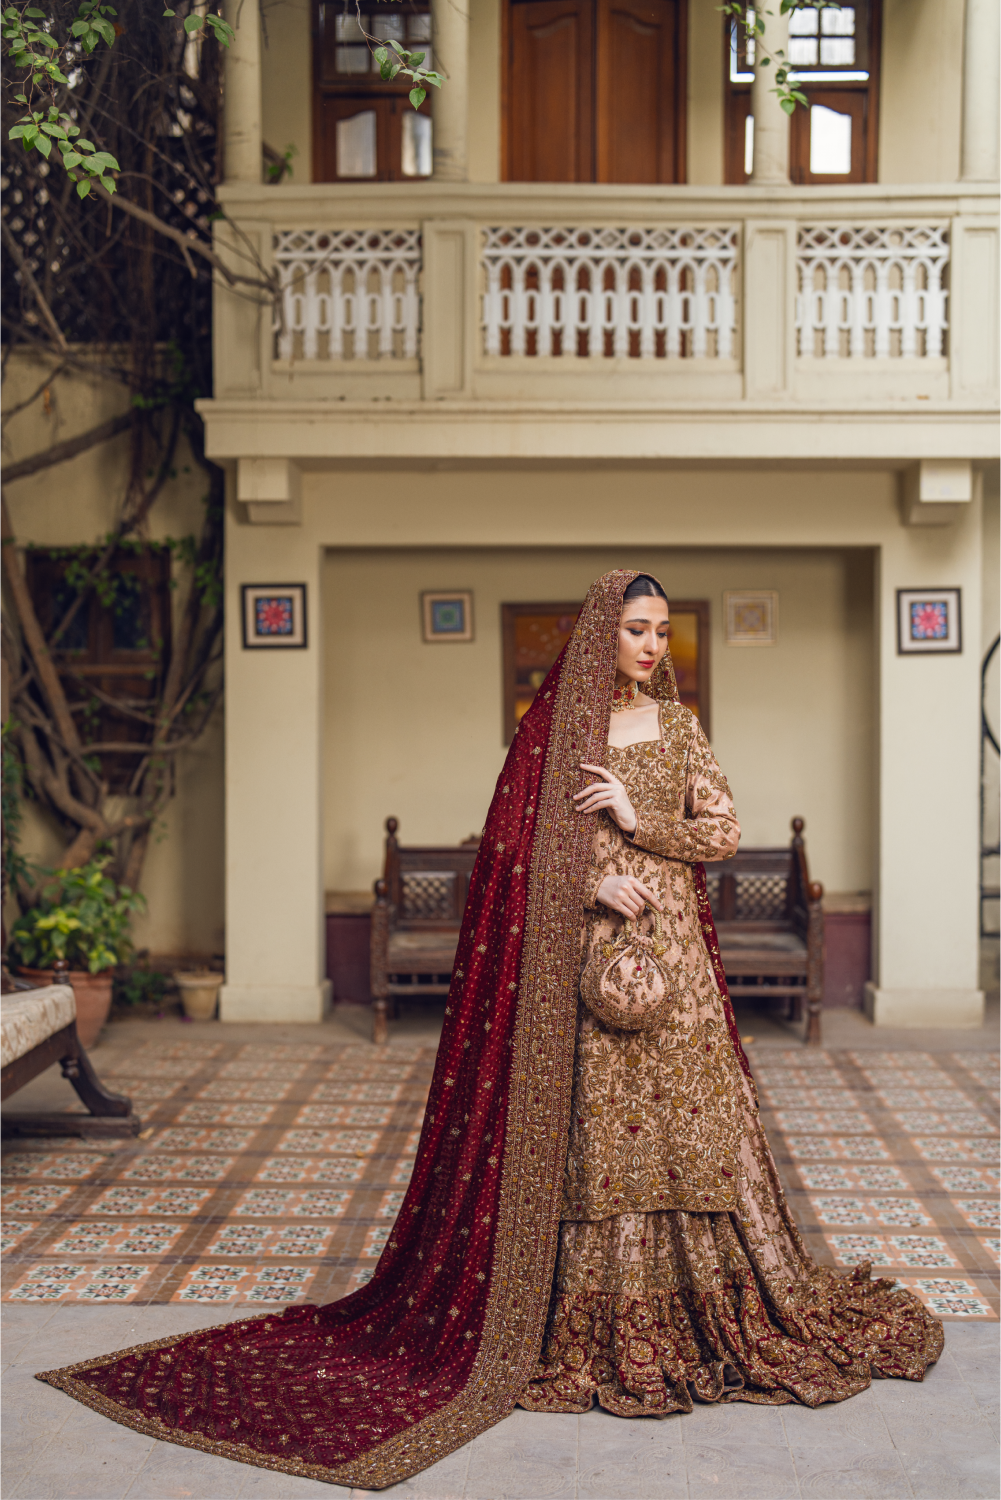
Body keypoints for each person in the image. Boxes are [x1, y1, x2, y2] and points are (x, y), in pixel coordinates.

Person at [39, 570, 942, 1490]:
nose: (650, 645)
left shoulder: (678, 729)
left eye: (662, 631)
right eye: (635, 628)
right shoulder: (552, 737)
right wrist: (588, 882)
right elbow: (506, 851)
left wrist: (639, 822)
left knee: (697, 1132)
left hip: (677, 969)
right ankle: (589, 1316)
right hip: (585, 964)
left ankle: (707, 1306)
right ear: (601, 635)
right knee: (598, 1141)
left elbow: (722, 832)